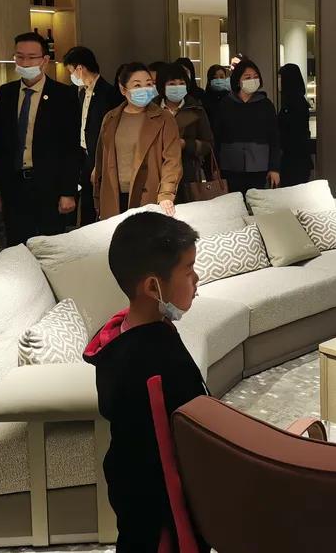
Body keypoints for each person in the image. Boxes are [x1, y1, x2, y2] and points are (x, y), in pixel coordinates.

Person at [83, 212, 209, 553]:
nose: (196, 278)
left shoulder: (120, 335)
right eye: (188, 269)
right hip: (162, 524)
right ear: (153, 287)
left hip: (133, 509)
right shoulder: (155, 362)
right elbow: (172, 454)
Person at [0, 32, 81, 246]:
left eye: (31, 57)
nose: (25, 62)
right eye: (19, 57)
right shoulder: (6, 93)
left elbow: (70, 148)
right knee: (17, 248)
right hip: (14, 187)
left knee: (50, 249)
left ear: (45, 60)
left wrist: (68, 192)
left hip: (50, 187)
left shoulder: (64, 96)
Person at [93, 63, 181, 220]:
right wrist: (98, 195)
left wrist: (166, 193)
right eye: (137, 85)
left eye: (148, 84)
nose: (144, 89)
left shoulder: (164, 118)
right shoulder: (110, 118)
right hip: (114, 195)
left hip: (149, 194)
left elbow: (172, 160)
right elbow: (101, 159)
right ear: (123, 89)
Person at [64, 46, 122, 226]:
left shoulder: (109, 93)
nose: (71, 76)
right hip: (81, 155)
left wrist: (100, 163)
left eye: (71, 71)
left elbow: (112, 133)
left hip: (99, 156)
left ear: (80, 68)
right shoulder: (79, 92)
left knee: (97, 203)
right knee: (83, 201)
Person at [215, 58, 280, 194]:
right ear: (238, 80)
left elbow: (274, 137)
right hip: (230, 165)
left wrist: (274, 168)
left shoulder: (265, 104)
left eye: (255, 77)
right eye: (247, 77)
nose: (252, 80)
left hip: (259, 166)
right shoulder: (226, 104)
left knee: (257, 202)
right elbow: (217, 136)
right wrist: (216, 167)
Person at [158, 62, 214, 202]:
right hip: (157, 173)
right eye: (172, 84)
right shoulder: (153, 110)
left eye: (181, 83)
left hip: (189, 174)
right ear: (162, 86)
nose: (177, 87)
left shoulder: (196, 109)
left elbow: (208, 144)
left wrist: (185, 144)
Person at [277, 63, 313, 188]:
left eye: (281, 78)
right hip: (296, 158)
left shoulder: (295, 103)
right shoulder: (295, 101)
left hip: (294, 159)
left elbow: (293, 131)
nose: (279, 82)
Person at [203, 64, 230, 132]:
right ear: (209, 80)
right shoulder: (204, 99)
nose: (218, 80)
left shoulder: (231, 98)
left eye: (221, 77)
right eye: (215, 78)